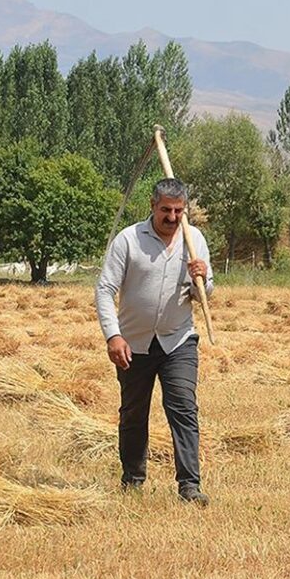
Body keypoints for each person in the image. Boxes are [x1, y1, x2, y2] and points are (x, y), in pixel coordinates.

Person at [94, 178, 212, 506]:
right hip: (134, 343)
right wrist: (113, 335)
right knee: (133, 413)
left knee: (184, 409)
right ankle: (133, 479)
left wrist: (202, 278)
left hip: (179, 340)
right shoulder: (129, 240)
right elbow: (104, 289)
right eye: (166, 210)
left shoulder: (194, 239)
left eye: (178, 211)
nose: (173, 217)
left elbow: (205, 292)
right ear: (152, 206)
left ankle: (190, 486)